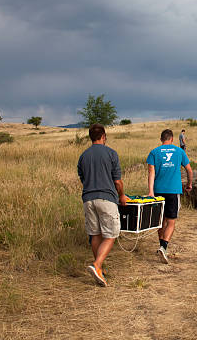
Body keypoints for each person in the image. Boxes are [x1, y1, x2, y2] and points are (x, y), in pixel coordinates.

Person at [78, 123, 127, 287]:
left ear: (91, 137)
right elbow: (117, 181)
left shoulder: (83, 156)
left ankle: (99, 269)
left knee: (95, 234)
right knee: (112, 234)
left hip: (88, 199)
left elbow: (83, 178)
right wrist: (122, 196)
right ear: (104, 136)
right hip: (106, 198)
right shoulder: (111, 153)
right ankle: (97, 265)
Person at [147, 129, 193, 264]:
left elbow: (151, 173)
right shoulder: (179, 151)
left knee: (160, 221)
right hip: (173, 190)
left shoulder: (154, 152)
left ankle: (161, 245)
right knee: (171, 221)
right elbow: (189, 170)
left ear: (161, 139)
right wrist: (189, 184)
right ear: (172, 139)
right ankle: (164, 246)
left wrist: (151, 192)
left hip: (158, 191)